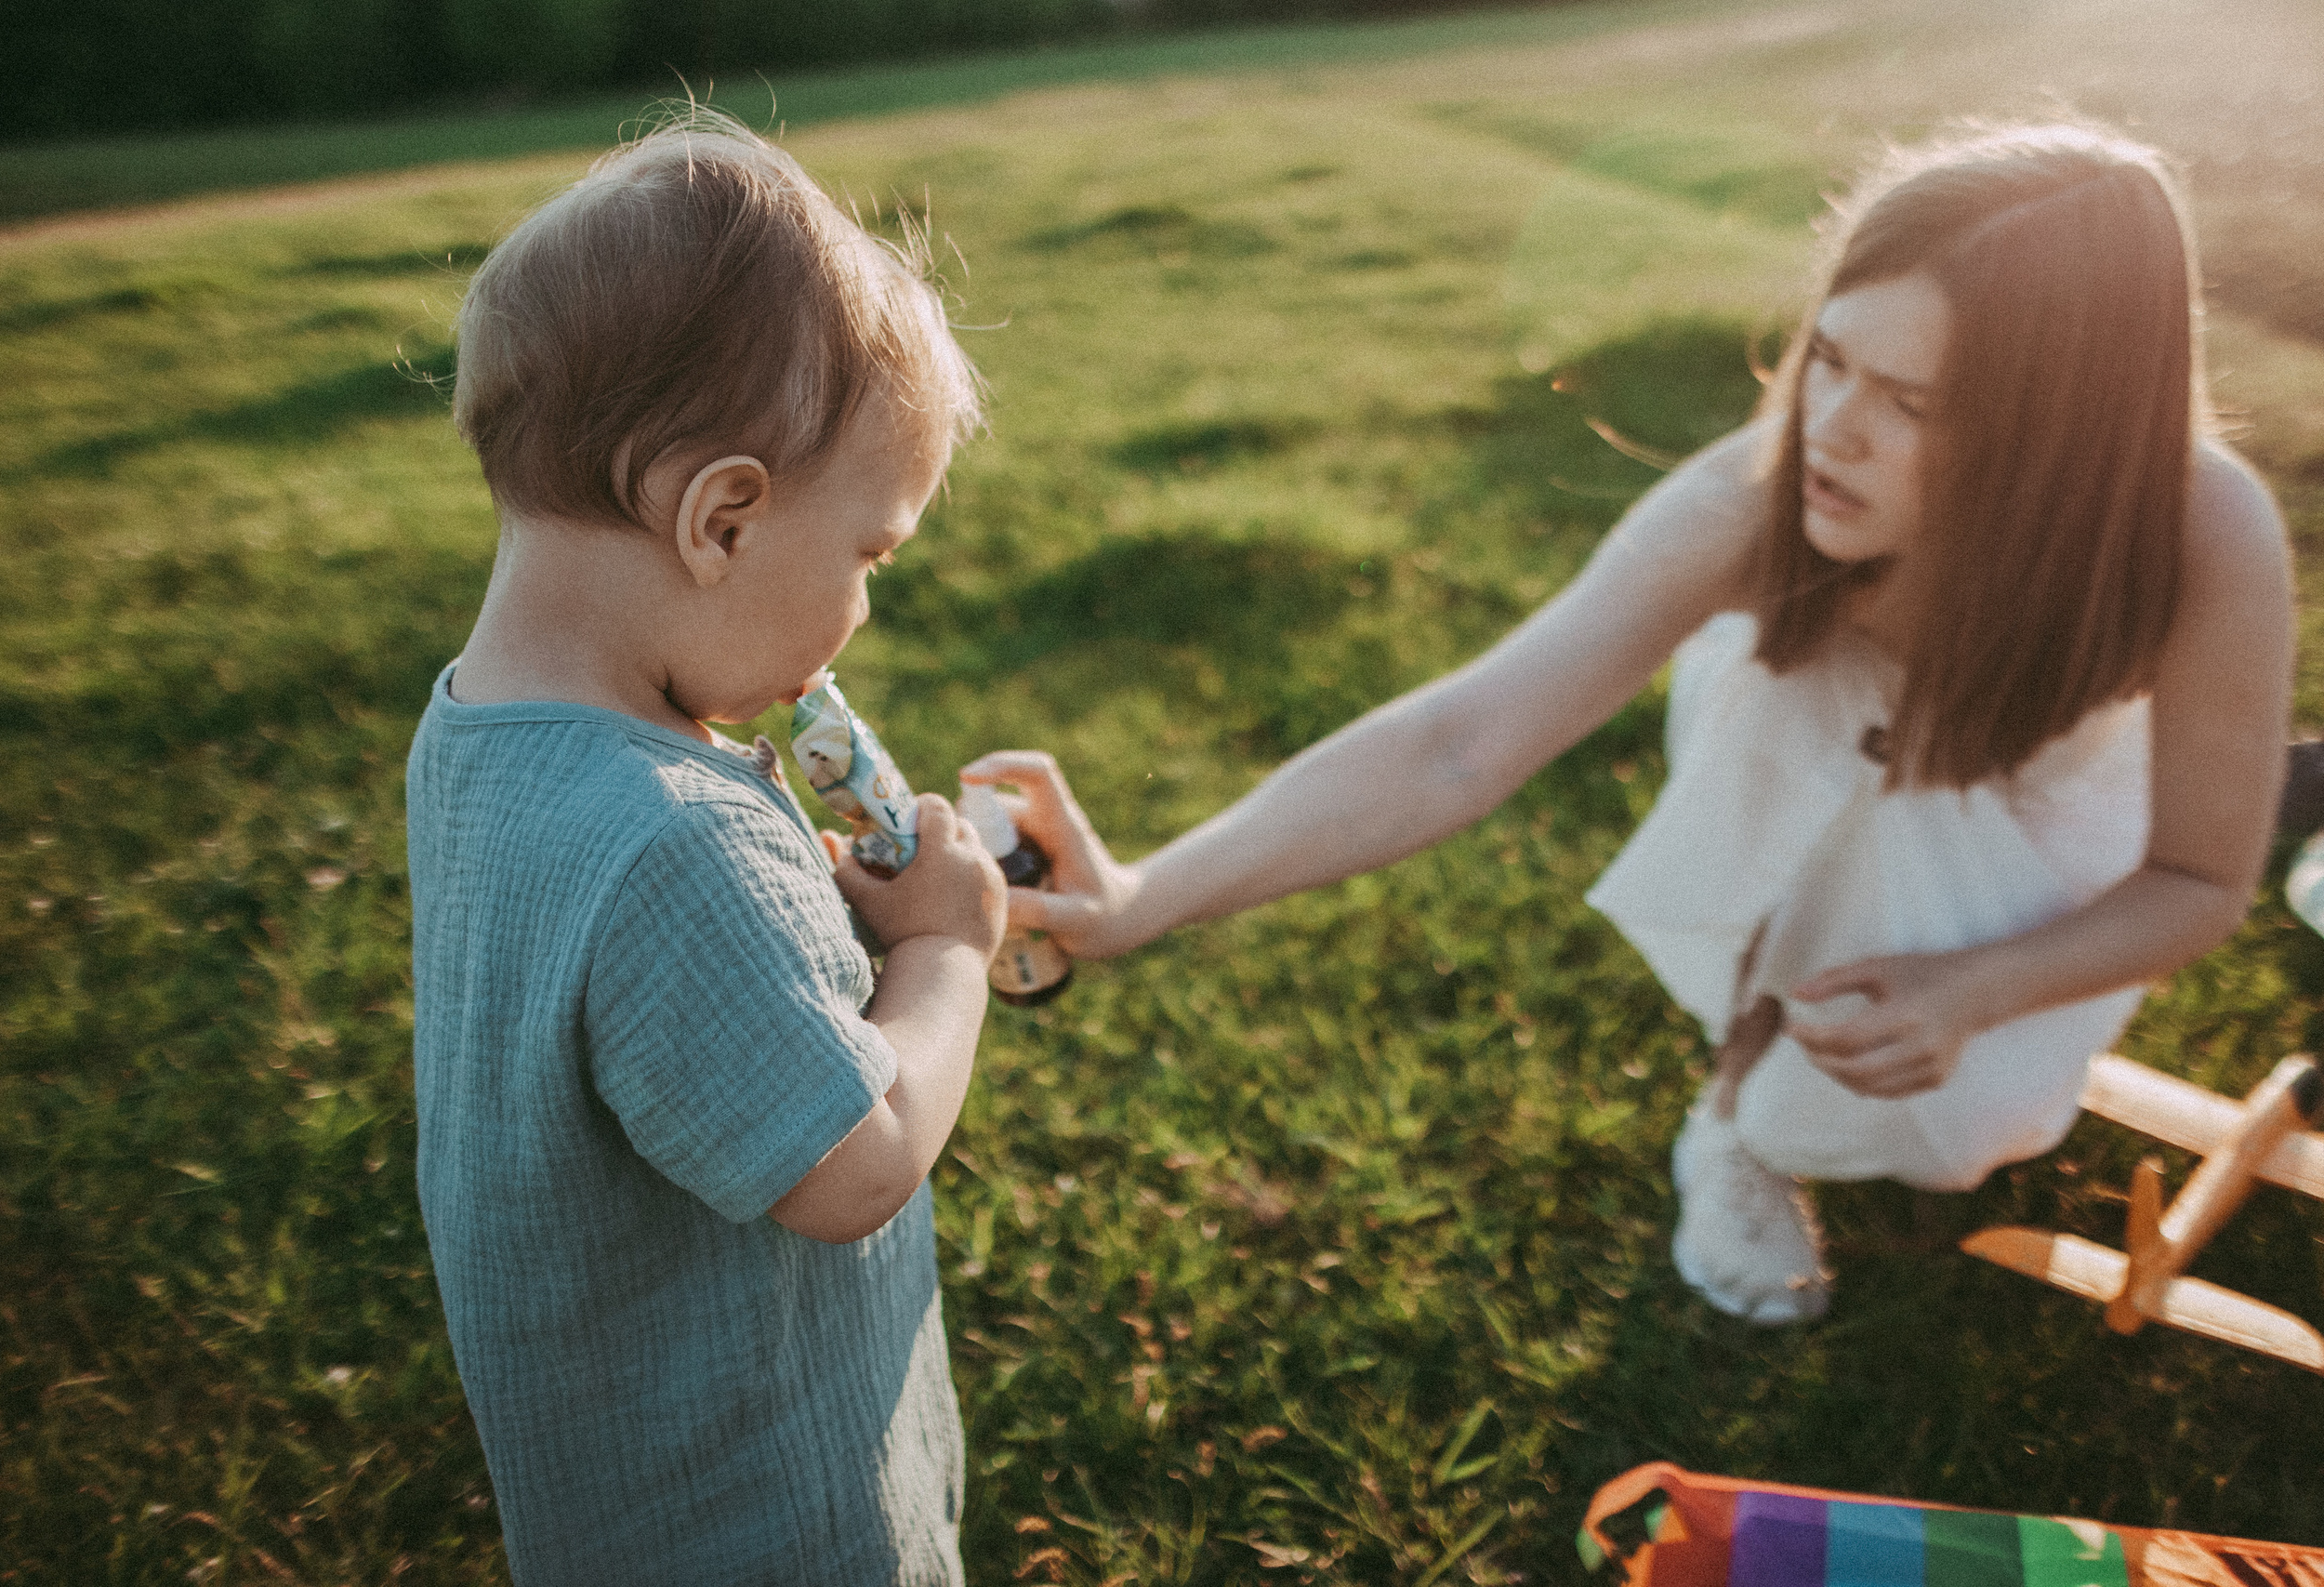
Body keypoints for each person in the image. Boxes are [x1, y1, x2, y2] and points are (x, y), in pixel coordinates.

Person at [964, 123, 2292, 1324]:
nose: (1829, 430)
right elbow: (1460, 742)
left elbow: (2200, 879)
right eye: (1830, 358)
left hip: (2038, 800)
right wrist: (1144, 897)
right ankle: (1732, 1117)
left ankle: (1869, 1047)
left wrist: (1977, 986)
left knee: (1968, 1128)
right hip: (1799, 727)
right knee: (1809, 877)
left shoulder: (2205, 532)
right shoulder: (1762, 492)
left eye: (1913, 406)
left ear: (2064, 437)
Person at [406, 112, 1003, 1585]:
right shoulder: (673, 846)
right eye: (870, 555)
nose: (863, 609)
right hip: (770, 1524)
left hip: (614, 1502)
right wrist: (943, 950)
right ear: (721, 519)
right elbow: (855, 1165)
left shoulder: (475, 736)